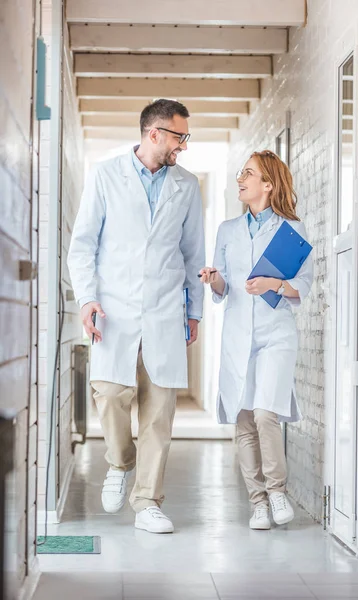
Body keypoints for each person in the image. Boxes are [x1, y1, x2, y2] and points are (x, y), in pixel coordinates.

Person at [67, 99, 205, 534]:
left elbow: (192, 254)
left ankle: (147, 501)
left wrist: (194, 310)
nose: (183, 145)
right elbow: (82, 244)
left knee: (158, 413)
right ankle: (120, 461)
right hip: (115, 310)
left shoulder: (187, 185)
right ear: (155, 134)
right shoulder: (107, 176)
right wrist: (87, 298)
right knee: (108, 394)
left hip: (165, 310)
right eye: (179, 137)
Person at [200, 150, 313, 530]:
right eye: (239, 173)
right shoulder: (227, 230)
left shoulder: (291, 232)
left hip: (275, 334)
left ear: (268, 184)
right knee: (243, 417)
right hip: (237, 335)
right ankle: (258, 502)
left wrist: (274, 284)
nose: (240, 179)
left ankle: (277, 489)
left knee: (266, 412)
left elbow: (305, 287)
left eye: (248, 174)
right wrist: (213, 279)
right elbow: (222, 289)